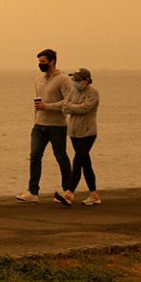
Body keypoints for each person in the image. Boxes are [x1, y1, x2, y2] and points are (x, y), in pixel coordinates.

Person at [15, 49, 74, 202]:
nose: (40, 64)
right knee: (35, 156)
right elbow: (38, 102)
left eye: (43, 62)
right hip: (39, 125)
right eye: (39, 62)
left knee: (61, 156)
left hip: (57, 125)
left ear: (52, 61)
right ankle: (33, 192)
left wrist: (47, 107)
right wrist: (36, 118)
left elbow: (69, 101)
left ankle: (66, 191)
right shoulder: (38, 79)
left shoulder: (63, 79)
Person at [55, 68, 101, 206]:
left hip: (88, 133)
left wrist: (72, 106)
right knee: (86, 164)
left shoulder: (93, 93)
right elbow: (65, 108)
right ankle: (94, 195)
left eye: (78, 80)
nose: (75, 82)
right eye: (74, 79)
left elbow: (85, 109)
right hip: (74, 132)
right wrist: (75, 106)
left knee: (77, 162)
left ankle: (69, 194)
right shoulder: (73, 92)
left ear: (86, 81)